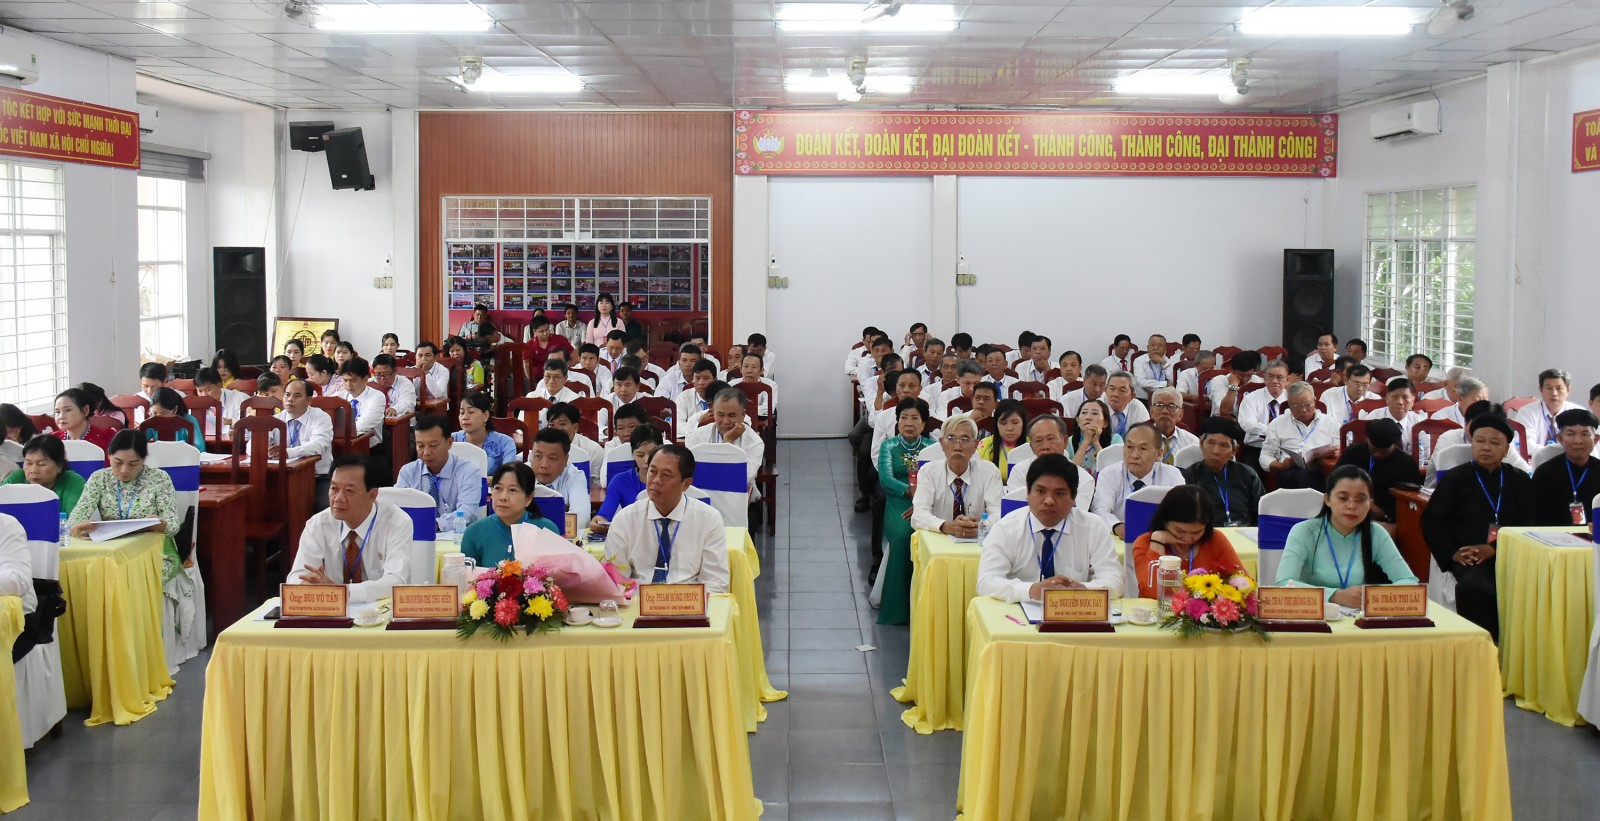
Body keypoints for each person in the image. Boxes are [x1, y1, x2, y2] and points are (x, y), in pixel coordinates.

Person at [1424, 414, 1533, 640]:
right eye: (1480, 441)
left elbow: (1530, 524)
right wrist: (1452, 554)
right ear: (1472, 443)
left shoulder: (1520, 480)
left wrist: (1495, 549)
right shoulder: (1455, 479)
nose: (1486, 447)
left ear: (1506, 449)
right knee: (1475, 586)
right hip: (1469, 558)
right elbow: (1431, 522)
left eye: (1494, 443)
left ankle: (1516, 646)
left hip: (1512, 555)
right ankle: (1482, 644)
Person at [976, 454, 1123, 603]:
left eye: (1059, 493)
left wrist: (1083, 590)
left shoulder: (1093, 527)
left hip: (1074, 610)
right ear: (1028, 493)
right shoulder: (1006, 528)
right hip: (1017, 613)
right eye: (1041, 491)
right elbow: (986, 581)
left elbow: (1115, 580)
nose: (1049, 501)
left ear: (1074, 498)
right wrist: (1031, 590)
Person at [1276, 465, 1418, 605]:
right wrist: (1334, 595)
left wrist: (1372, 596)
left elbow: (1409, 582)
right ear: (1327, 499)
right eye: (1343, 498)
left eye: (1360, 499)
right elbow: (1284, 583)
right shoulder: (1304, 531)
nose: (1352, 506)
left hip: (1358, 615)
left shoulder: (1375, 533)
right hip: (1313, 613)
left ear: (1370, 504)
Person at [602, 444, 729, 592]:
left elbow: (716, 582)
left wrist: (687, 603)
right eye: (652, 472)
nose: (656, 480)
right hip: (638, 599)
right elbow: (615, 580)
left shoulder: (708, 519)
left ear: (686, 484)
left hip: (689, 600)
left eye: (666, 475)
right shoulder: (625, 520)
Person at [286, 456, 411, 602]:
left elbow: (395, 581)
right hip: (329, 608)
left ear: (372, 495)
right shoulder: (318, 524)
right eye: (334, 489)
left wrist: (341, 593)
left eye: (349, 491)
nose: (338, 498)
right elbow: (297, 576)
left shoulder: (397, 523)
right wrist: (307, 584)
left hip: (379, 610)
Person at [874, 398, 936, 623]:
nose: (909, 423)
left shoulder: (932, 448)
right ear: (897, 421)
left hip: (927, 502)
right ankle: (897, 610)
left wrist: (922, 499)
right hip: (899, 500)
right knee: (903, 536)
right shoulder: (889, 446)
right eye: (904, 418)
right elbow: (886, 479)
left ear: (924, 423)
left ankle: (926, 607)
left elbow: (938, 478)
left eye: (915, 418)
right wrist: (909, 492)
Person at [1130, 485, 1245, 597]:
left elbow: (1244, 584)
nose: (1188, 538)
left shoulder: (1215, 539)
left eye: (1197, 532)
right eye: (1180, 530)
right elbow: (1153, 593)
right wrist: (1158, 541)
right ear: (1164, 521)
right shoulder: (1145, 542)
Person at [910, 415, 1002, 538]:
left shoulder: (990, 472)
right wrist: (948, 526)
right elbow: (918, 515)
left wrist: (981, 526)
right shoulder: (929, 472)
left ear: (975, 445)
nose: (957, 447)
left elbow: (998, 512)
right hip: (939, 542)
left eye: (965, 439)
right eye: (951, 438)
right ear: (942, 443)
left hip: (979, 540)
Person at [1091, 423, 1184, 540]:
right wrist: (1117, 526)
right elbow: (1100, 510)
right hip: (1119, 540)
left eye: (1143, 449)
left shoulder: (1172, 475)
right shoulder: (1109, 474)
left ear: (1159, 454)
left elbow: (1181, 512)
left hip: (1160, 539)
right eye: (1129, 447)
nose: (1135, 455)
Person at [459, 462, 560, 568]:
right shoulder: (474, 532)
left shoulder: (546, 531)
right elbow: (469, 576)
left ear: (528, 498)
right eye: (498, 488)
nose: (503, 497)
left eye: (512, 490)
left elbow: (556, 575)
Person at [397, 415, 485, 533]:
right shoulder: (408, 472)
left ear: (449, 442)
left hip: (456, 537)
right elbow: (397, 508)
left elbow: (467, 511)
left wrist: (435, 524)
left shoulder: (469, 472)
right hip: (416, 535)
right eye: (420, 446)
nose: (426, 452)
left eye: (433, 446)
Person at [1334, 418, 1421, 524]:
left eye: (1384, 451)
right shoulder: (1353, 453)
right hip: (1349, 508)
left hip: (1387, 520)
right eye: (1374, 449)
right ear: (1367, 439)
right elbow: (1334, 482)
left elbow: (1411, 502)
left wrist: (1384, 515)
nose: (1377, 454)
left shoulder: (1406, 464)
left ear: (1394, 445)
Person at [1182, 417, 1262, 526]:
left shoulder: (1248, 475)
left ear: (1234, 450)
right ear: (1201, 444)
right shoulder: (1189, 476)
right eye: (1211, 443)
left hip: (1244, 532)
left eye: (1224, 445)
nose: (1216, 451)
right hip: (1206, 533)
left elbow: (1260, 513)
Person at [1260, 381, 1338, 489]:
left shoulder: (1331, 423)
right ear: (1289, 404)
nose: (1304, 410)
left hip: (1323, 468)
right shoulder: (1277, 424)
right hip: (1291, 471)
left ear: (1314, 400)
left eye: (1308, 404)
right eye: (1297, 406)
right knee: (1303, 477)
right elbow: (1265, 456)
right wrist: (1281, 465)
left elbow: (1339, 447)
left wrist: (1334, 452)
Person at [1530, 409, 1600, 525]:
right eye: (1570, 434)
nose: (1578, 441)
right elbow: (1536, 517)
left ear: (1596, 439)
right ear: (1560, 439)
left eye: (1585, 434)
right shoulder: (1545, 473)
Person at [685, 388, 764, 489]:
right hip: (702, 490)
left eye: (731, 415)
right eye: (720, 415)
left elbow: (740, 478)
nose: (725, 421)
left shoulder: (754, 442)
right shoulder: (698, 435)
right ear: (713, 412)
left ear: (743, 415)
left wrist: (728, 442)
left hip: (738, 493)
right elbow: (689, 473)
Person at [590, 425, 663, 534]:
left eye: (652, 454)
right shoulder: (620, 481)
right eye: (640, 455)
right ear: (632, 454)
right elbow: (605, 514)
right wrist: (598, 521)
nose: (646, 460)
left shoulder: (672, 480)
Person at [273, 378, 334, 509]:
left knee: (324, 506)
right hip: (282, 476)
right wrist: (262, 449)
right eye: (287, 395)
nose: (290, 399)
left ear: (309, 400)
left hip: (317, 477)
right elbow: (252, 445)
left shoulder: (321, 417)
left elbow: (319, 445)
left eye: (297, 396)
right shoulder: (276, 419)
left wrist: (287, 452)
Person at [3, 435, 86, 515]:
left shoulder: (73, 482)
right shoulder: (16, 479)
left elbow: (76, 520)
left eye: (41, 464)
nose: (33, 470)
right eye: (28, 463)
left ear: (59, 466)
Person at [529, 427, 591, 526]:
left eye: (552, 458)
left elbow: (580, 518)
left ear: (566, 460)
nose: (544, 465)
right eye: (538, 456)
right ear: (531, 456)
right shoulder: (519, 474)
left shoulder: (575, 476)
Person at [1514, 368, 1586, 449]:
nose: (1554, 393)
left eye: (1559, 388)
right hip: (1536, 457)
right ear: (1540, 390)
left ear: (1568, 390)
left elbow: (1585, 445)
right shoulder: (1527, 412)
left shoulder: (1579, 413)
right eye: (1549, 388)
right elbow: (1526, 445)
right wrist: (1552, 453)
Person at [1237, 359, 1291, 463]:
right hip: (1257, 448)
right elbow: (1248, 424)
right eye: (1270, 376)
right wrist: (1274, 433)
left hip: (1286, 449)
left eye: (1279, 377)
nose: (1274, 381)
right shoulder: (1251, 398)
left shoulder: (1293, 399)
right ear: (1264, 378)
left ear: (1287, 380)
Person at [454, 391, 518, 472]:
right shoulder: (451, 440)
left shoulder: (505, 443)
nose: (465, 417)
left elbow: (509, 474)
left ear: (485, 415)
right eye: (462, 413)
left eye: (471, 412)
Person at [1361, 378, 1425, 453]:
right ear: (1387, 398)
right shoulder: (1373, 419)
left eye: (1405, 397)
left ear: (1413, 401)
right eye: (1394, 397)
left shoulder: (1419, 422)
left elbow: (1426, 451)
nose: (1400, 402)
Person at [337, 358, 387, 448]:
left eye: (353, 380)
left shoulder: (377, 397)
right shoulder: (338, 396)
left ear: (365, 379)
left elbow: (365, 424)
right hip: (342, 445)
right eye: (345, 380)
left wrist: (338, 430)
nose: (348, 384)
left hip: (371, 448)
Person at [977, 399, 1028, 485]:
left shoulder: (1031, 445)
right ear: (996, 424)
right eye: (1003, 423)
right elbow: (981, 478)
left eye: (1015, 422)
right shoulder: (986, 445)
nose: (1009, 428)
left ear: (1023, 423)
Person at [1066, 398, 1120, 474]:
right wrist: (1086, 441)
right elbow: (1068, 473)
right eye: (1084, 412)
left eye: (1095, 413)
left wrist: (1096, 442)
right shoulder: (1068, 442)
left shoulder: (1115, 440)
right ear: (1078, 420)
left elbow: (1115, 473)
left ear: (1105, 423)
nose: (1088, 417)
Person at [1149, 387, 1198, 466]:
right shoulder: (1139, 440)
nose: (1165, 411)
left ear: (1180, 414)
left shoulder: (1192, 442)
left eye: (1171, 406)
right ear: (1151, 412)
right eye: (1159, 405)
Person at [193, 367, 248, 438]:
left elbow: (248, 426)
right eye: (200, 391)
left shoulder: (240, 399)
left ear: (219, 385)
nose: (204, 395)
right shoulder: (195, 404)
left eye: (208, 390)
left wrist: (230, 422)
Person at [147, 387, 205, 452]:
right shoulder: (151, 421)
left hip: (184, 456)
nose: (157, 417)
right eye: (154, 413)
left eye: (162, 413)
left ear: (174, 410)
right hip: (159, 457)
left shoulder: (189, 421)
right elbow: (140, 444)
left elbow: (200, 447)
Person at [1320, 363, 1377, 428]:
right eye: (1356, 383)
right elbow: (1323, 424)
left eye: (1365, 384)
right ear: (1346, 380)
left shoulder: (1375, 400)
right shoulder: (1329, 395)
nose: (1360, 388)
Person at [1208, 351, 1262, 418]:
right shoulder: (1218, 381)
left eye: (1249, 375)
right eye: (1242, 375)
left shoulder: (1256, 380)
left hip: (1247, 420)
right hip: (1223, 420)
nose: (1245, 380)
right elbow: (1224, 411)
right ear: (1232, 370)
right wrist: (1233, 386)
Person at [673, 358, 719, 428]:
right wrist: (699, 423)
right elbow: (678, 426)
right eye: (697, 378)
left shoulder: (724, 397)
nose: (701, 383)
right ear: (693, 379)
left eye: (706, 378)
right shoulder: (684, 397)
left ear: (715, 380)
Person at [1102, 372, 1150, 438]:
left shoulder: (1138, 409)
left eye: (1122, 390)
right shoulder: (1098, 406)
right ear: (1105, 390)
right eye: (1112, 389)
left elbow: (1145, 437)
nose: (1115, 394)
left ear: (1132, 396)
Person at [1131, 333, 1172, 401]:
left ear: (1165, 349)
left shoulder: (1167, 360)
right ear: (1148, 348)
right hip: (1143, 399)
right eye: (1152, 345)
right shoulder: (1139, 361)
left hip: (1164, 398)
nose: (1155, 348)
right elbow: (1141, 382)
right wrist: (1165, 384)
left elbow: (1174, 380)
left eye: (1159, 346)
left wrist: (1163, 363)